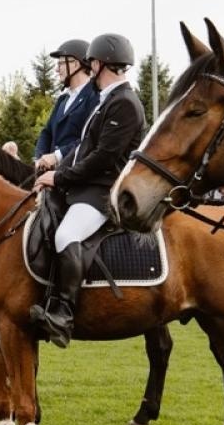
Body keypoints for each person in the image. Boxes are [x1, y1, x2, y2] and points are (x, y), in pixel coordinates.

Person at [30, 33, 145, 348]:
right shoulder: (109, 99)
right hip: (85, 186)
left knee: (66, 235)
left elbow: (103, 159)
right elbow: (83, 150)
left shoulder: (124, 103)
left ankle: (64, 314)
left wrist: (60, 178)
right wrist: (56, 173)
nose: (90, 67)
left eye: (92, 62)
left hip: (103, 192)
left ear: (101, 63)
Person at [33, 38, 100, 172]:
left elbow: (89, 139)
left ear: (75, 64)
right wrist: (39, 158)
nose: (57, 70)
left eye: (61, 64)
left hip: (75, 174)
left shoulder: (95, 97)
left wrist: (57, 156)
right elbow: (47, 132)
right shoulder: (63, 99)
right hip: (50, 173)